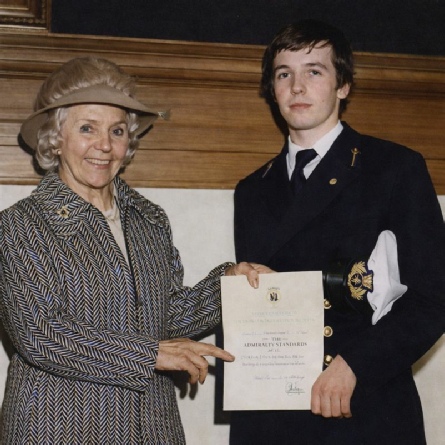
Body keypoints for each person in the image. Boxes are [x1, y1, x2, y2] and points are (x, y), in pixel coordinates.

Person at [0, 56, 266, 444]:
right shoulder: (20, 225)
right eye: (87, 128)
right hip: (58, 427)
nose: (105, 145)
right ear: (56, 138)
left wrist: (228, 285)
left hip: (151, 427)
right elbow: (42, 335)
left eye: (118, 131)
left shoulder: (149, 219)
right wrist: (150, 355)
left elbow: (165, 317)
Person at [231, 19, 445, 445]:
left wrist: (355, 365)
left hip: (365, 409)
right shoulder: (252, 189)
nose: (297, 87)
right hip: (272, 416)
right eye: (283, 74)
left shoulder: (393, 169)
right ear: (271, 89)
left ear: (342, 85)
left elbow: (433, 298)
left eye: (314, 71)